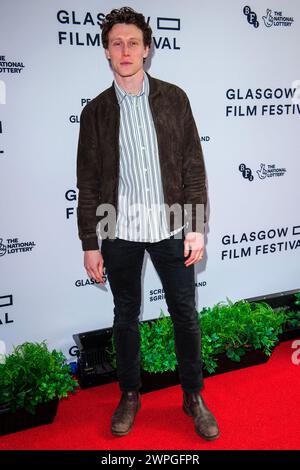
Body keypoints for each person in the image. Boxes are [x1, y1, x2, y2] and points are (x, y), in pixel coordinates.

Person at [76, 6, 220, 441]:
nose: (125, 50)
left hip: (173, 225)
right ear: (106, 51)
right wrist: (89, 242)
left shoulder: (174, 98)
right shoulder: (96, 112)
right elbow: (86, 182)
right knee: (125, 316)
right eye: (117, 43)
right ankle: (130, 395)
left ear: (147, 48)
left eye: (133, 42)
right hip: (119, 231)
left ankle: (192, 396)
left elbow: (193, 165)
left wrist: (195, 225)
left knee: (185, 316)